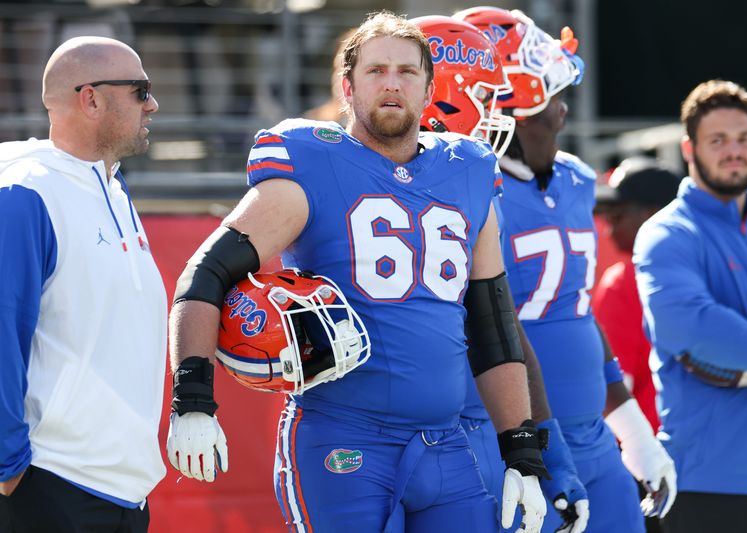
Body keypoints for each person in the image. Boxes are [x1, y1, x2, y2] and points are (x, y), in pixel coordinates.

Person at [166, 11, 551, 533]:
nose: (391, 83)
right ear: (347, 87)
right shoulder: (310, 160)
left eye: (406, 71)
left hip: (446, 443)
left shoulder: (469, 168)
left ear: (428, 86)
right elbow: (206, 272)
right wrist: (192, 398)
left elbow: (491, 322)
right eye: (375, 71)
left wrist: (521, 450)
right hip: (343, 438)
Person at [456, 7, 676, 532]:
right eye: (552, 96)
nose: (563, 111)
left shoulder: (576, 180)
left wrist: (635, 431)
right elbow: (491, 328)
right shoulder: (466, 192)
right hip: (511, 443)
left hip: (593, 436)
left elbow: (577, 311)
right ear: (510, 109)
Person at [414, 13, 588, 533]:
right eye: (489, 97)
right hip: (373, 433)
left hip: (470, 427)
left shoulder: (479, 190)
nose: (500, 114)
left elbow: (498, 324)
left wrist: (538, 449)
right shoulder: (328, 165)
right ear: (445, 97)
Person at [0, 36, 165, 532]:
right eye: (140, 89)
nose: (153, 103)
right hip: (49, 485)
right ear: (90, 97)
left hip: (125, 490)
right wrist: (7, 466)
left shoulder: (112, 187)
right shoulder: (25, 194)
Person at [633, 79, 747, 533]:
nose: (734, 151)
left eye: (744, 139)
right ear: (690, 148)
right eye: (718, 140)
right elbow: (689, 325)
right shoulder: (668, 233)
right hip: (710, 483)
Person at [594, 157, 681, 434]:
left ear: (652, 215)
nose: (607, 226)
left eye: (616, 214)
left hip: (648, 453)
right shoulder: (716, 269)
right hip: (720, 448)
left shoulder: (622, 282)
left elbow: (612, 392)